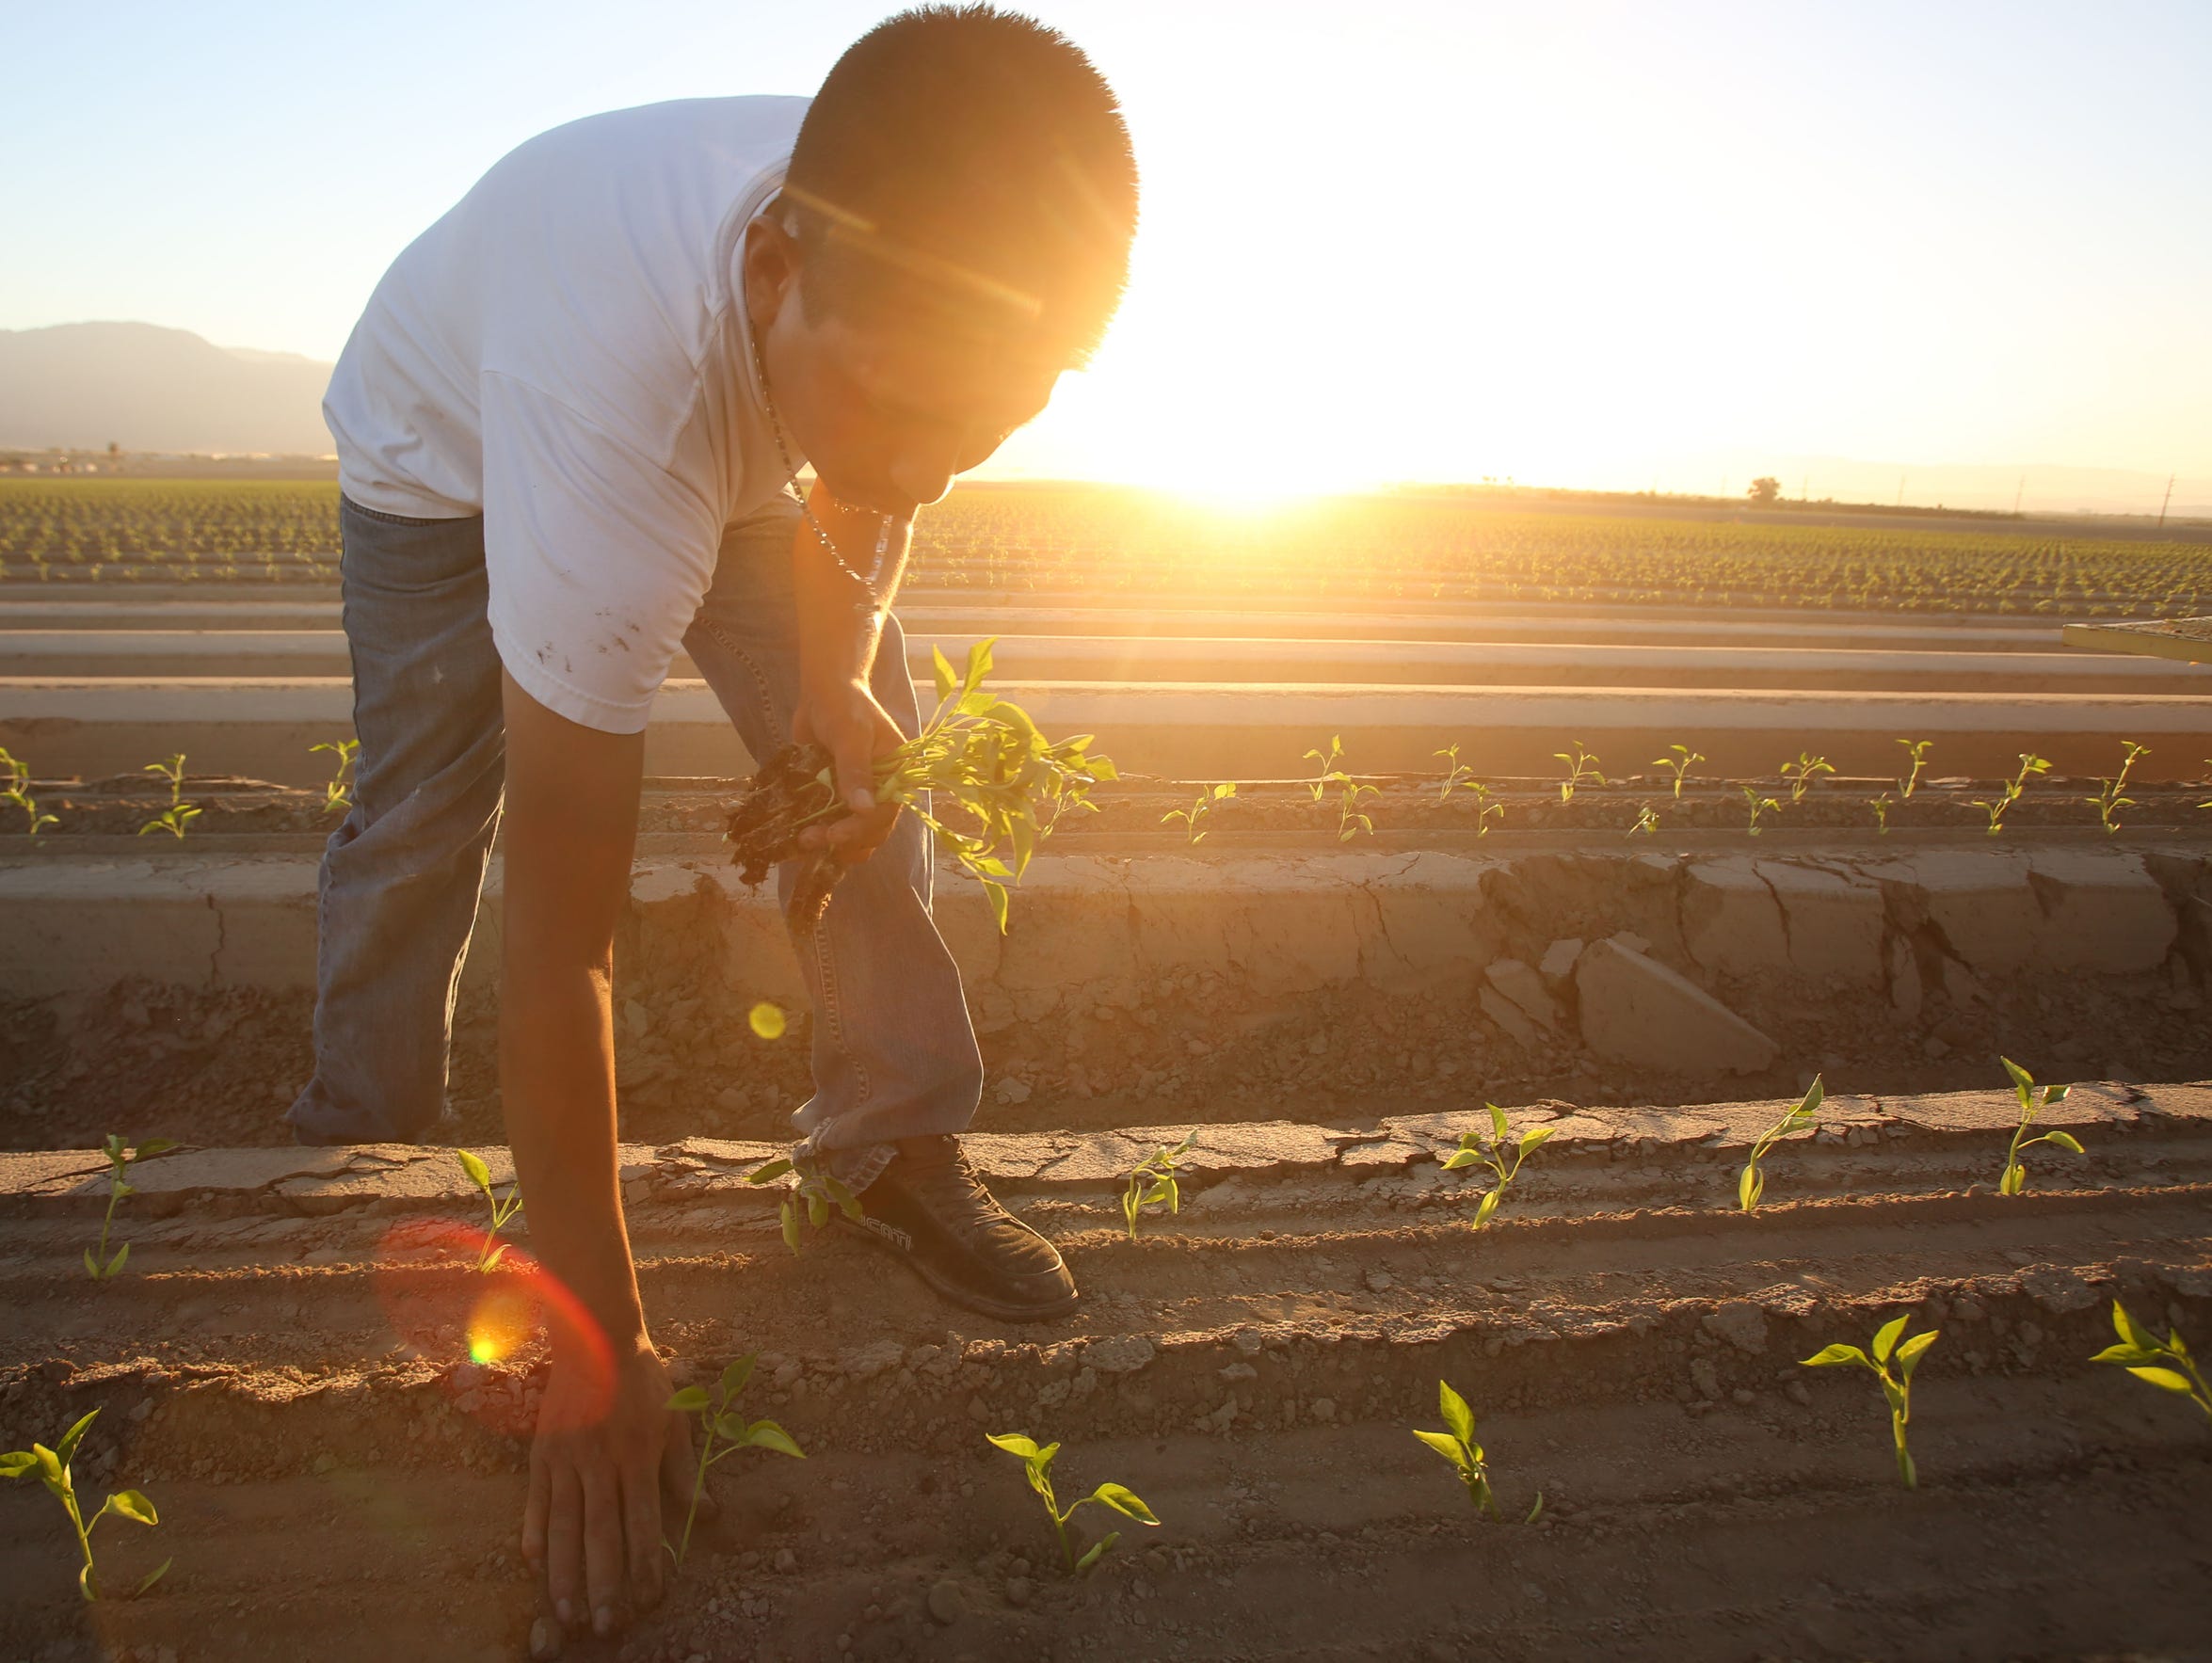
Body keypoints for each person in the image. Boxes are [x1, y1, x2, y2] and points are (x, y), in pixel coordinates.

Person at [296, 6, 1138, 1638]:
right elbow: (568, 941)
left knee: (861, 775)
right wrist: (599, 1342)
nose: (924, 465)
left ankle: (891, 1145)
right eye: (897, 406)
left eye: (981, 430)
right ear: (776, 270)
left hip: (736, 437)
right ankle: (359, 1149)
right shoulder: (612, 403)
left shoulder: (923, 245)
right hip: (441, 460)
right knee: (422, 817)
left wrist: (833, 683)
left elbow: (873, 472)